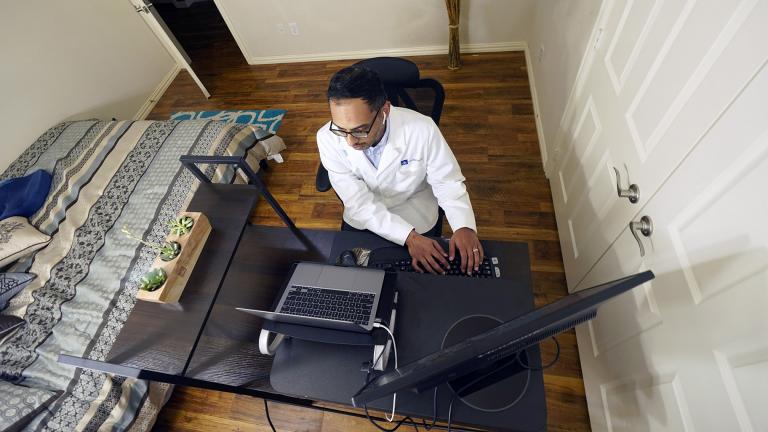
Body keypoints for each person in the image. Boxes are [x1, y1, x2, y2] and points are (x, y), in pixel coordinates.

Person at [316, 66, 483, 275]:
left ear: (384, 110)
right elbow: (358, 203)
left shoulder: (423, 129)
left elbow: (447, 181)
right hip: (363, 221)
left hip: (415, 212)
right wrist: (408, 237)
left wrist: (464, 227)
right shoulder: (326, 138)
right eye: (341, 129)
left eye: (360, 130)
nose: (350, 141)